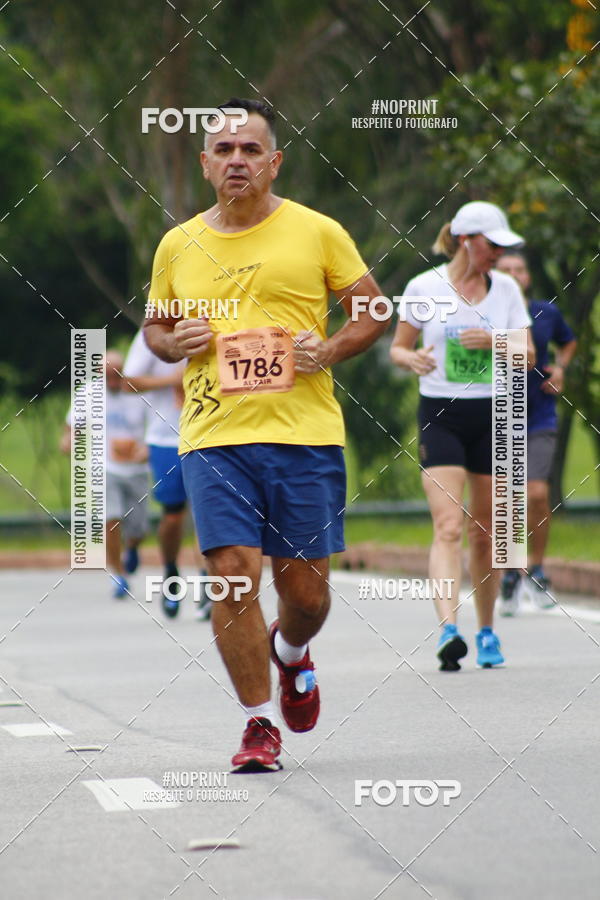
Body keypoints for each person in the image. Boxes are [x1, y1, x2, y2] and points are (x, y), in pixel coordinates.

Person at [144, 97, 387, 771]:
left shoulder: (317, 231)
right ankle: (257, 724)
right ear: (205, 164)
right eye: (224, 151)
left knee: (305, 595)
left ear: (274, 162)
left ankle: (291, 651)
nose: (238, 161)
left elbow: (372, 310)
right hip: (214, 435)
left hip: (305, 434)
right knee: (228, 573)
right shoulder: (178, 244)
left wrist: (328, 350)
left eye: (251, 150)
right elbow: (155, 329)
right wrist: (173, 340)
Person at [390, 201, 535, 671]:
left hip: (496, 412)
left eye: (502, 247)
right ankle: (449, 630)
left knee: (487, 532)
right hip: (442, 415)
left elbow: (529, 356)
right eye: (493, 245)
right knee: (449, 526)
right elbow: (398, 347)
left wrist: (493, 341)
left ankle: (487, 629)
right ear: (466, 241)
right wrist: (412, 361)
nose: (498, 254)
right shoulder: (423, 287)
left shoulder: (507, 289)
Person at [495, 251, 577, 614]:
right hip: (496, 417)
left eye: (520, 268)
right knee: (505, 500)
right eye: (506, 269)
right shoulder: (485, 313)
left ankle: (537, 567)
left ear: (527, 276)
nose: (514, 274)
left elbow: (568, 341)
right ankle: (512, 572)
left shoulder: (546, 312)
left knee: (536, 493)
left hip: (540, 416)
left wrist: (560, 368)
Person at [123, 330, 211, 620]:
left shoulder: (222, 315)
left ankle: (207, 583)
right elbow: (128, 382)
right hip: (166, 439)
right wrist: (174, 380)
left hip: (213, 437)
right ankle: (171, 573)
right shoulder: (155, 332)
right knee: (173, 515)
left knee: (207, 512)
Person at [61, 350, 149, 598]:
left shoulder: (138, 392)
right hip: (104, 467)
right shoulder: (89, 393)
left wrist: (145, 450)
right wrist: (68, 440)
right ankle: (119, 575)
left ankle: (132, 547)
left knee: (139, 528)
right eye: (107, 376)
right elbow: (72, 425)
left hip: (137, 469)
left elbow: (156, 426)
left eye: (116, 376)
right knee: (111, 519)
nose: (112, 382)